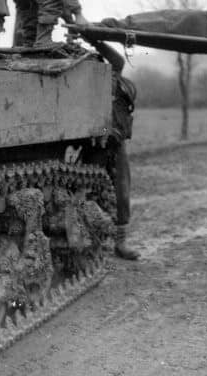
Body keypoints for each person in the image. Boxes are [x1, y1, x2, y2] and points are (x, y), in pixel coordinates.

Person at [86, 37, 140, 260]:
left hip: (116, 143)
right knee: (89, 190)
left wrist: (94, 40)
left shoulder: (112, 77)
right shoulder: (84, 86)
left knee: (121, 190)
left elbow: (117, 59)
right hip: (92, 145)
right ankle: (89, 240)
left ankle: (120, 241)